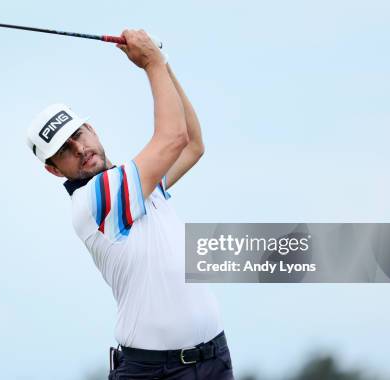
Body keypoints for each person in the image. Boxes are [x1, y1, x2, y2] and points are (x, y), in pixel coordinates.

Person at [26, 29, 234, 380]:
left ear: (91, 128)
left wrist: (162, 64)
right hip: (155, 372)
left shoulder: (135, 183)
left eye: (78, 135)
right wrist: (151, 62)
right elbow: (173, 138)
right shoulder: (97, 198)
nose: (80, 149)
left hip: (213, 358)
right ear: (53, 169)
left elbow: (192, 144)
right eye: (64, 151)